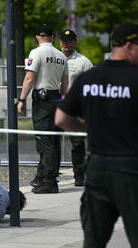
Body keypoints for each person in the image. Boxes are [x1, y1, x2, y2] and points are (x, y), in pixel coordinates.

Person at [55, 22, 138, 247]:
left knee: (93, 241)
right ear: (130, 45)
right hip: (130, 170)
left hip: (97, 169)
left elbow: (60, 119)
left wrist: (87, 129)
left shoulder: (90, 77)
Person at [17, 24, 69, 194]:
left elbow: (29, 79)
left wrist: (22, 99)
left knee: (44, 140)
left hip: (43, 97)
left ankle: (48, 181)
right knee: (53, 139)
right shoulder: (61, 56)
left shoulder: (36, 53)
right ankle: (44, 176)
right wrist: (61, 99)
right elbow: (65, 83)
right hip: (56, 97)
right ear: (52, 37)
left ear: (38, 37)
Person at [59, 29, 93, 186]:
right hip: (55, 105)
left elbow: (92, 85)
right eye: (63, 40)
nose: (65, 43)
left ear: (75, 42)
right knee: (49, 142)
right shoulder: (54, 58)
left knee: (78, 143)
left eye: (69, 40)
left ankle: (79, 176)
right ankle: (49, 176)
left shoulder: (84, 62)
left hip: (75, 108)